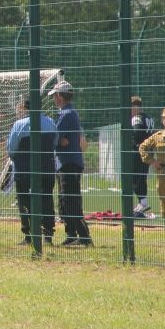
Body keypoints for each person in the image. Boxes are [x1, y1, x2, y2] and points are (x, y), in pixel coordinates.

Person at [7, 98, 58, 245]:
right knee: (47, 199)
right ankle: (48, 235)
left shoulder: (19, 125)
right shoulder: (50, 123)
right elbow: (54, 143)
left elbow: (12, 149)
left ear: (25, 108)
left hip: (24, 170)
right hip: (46, 169)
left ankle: (29, 235)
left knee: (24, 201)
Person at [50, 80, 92, 246]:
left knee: (70, 199)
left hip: (68, 162)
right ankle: (72, 233)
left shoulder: (67, 114)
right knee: (65, 198)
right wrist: (60, 140)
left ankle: (82, 235)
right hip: (64, 161)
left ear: (60, 96)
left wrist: (59, 140)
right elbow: (58, 138)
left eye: (55, 95)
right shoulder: (66, 113)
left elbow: (54, 136)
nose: (54, 99)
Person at [130, 96, 156, 218]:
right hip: (148, 152)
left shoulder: (136, 119)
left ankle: (142, 203)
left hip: (138, 152)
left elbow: (137, 133)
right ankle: (143, 202)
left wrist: (136, 145)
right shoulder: (149, 118)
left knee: (135, 178)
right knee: (141, 177)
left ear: (135, 107)